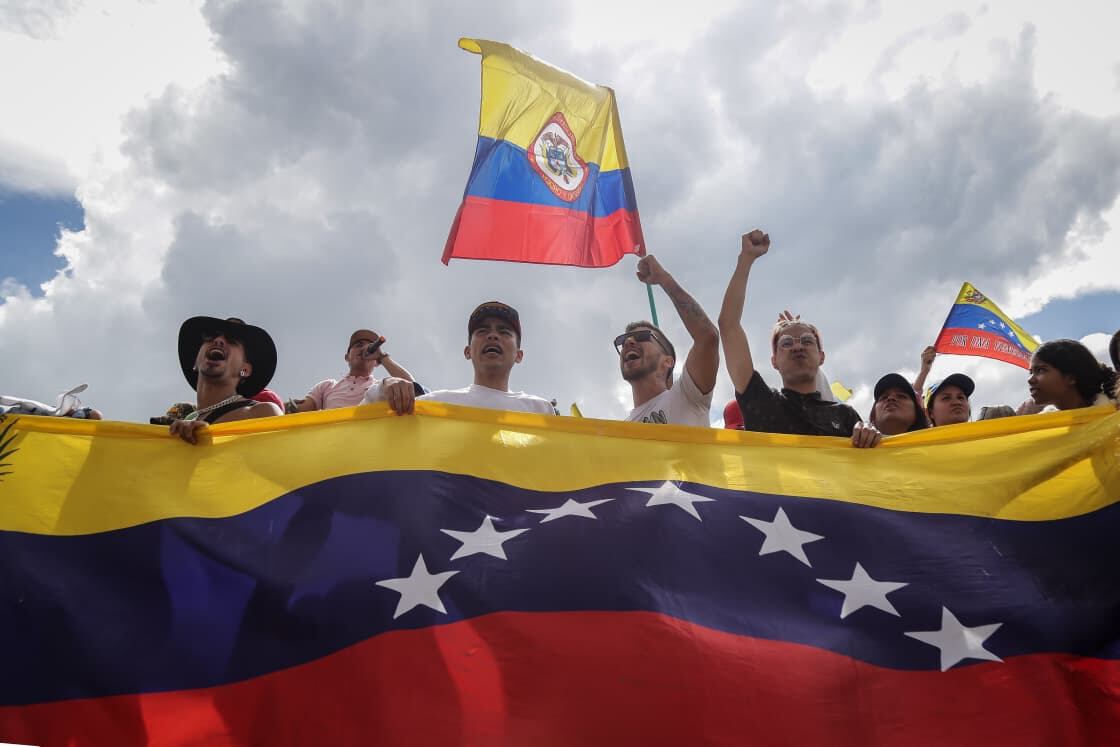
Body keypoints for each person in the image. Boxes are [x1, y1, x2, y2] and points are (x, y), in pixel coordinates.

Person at [718, 229, 880, 447]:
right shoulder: (763, 403)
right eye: (786, 343)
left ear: (822, 356)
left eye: (806, 341)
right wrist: (745, 260)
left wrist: (871, 436)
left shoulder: (846, 418)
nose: (797, 347)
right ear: (773, 360)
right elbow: (728, 326)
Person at [619, 255, 719, 426]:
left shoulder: (686, 396)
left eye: (642, 337)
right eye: (623, 340)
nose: (628, 342)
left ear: (668, 361)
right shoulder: (619, 432)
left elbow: (707, 337)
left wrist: (664, 279)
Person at [416, 302, 554, 414]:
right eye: (482, 331)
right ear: (468, 351)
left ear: (519, 355)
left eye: (504, 332)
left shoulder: (541, 410)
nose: (493, 336)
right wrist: (394, 387)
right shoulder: (434, 404)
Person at [170, 316, 282, 444]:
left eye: (232, 340)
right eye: (210, 337)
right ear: (195, 362)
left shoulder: (262, 413)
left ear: (245, 370)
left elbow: (282, 459)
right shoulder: (180, 431)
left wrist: (212, 438)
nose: (218, 340)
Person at [292, 329, 419, 415]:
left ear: (377, 362)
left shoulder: (381, 388)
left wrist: (382, 357)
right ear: (347, 357)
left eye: (369, 346)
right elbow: (300, 410)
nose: (364, 348)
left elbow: (413, 389)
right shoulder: (327, 386)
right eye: (358, 345)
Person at [1027, 339, 1118, 410]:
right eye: (1031, 372)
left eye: (1040, 370)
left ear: (1071, 378)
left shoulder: (1115, 421)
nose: (1030, 380)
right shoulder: (1043, 426)